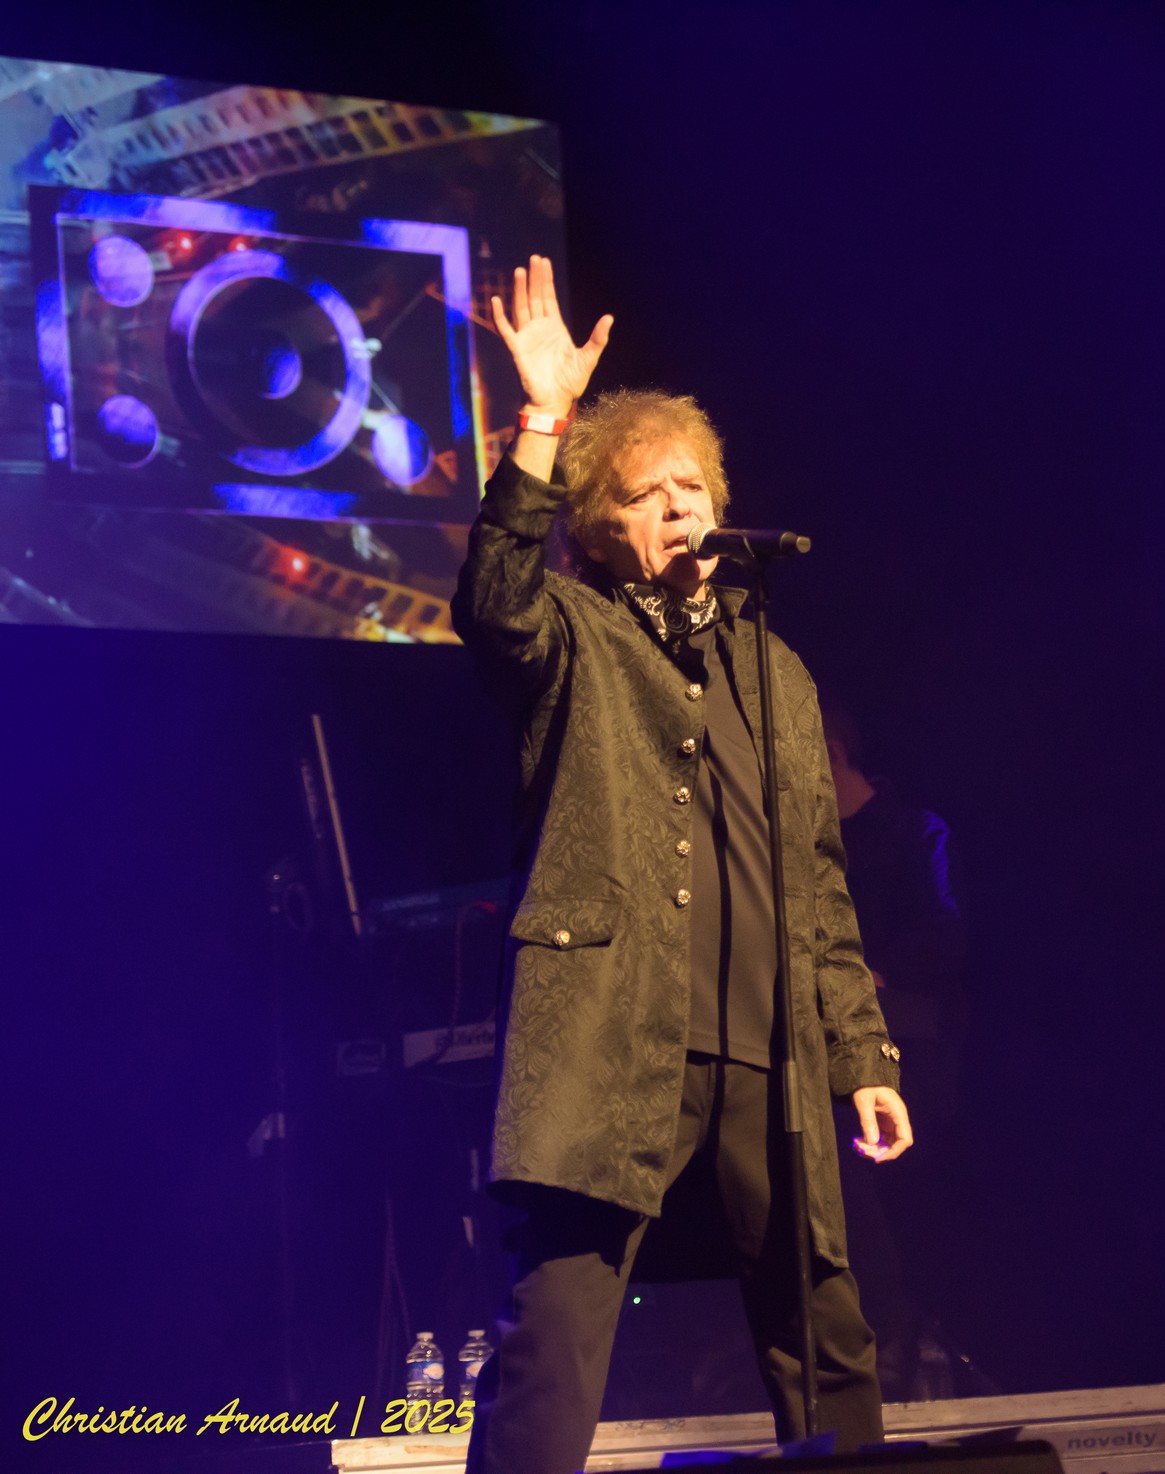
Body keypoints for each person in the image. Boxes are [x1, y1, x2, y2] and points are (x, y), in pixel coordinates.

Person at [453, 256, 912, 1474]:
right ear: (600, 528)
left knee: (827, 1333)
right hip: (606, 1031)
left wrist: (862, 1055)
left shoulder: (776, 671)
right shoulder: (573, 630)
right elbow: (492, 601)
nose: (677, 506)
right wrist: (542, 418)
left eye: (691, 486)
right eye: (646, 493)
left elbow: (817, 882)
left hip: (768, 1045)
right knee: (555, 1335)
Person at [820, 700, 969, 1397]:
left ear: (832, 752)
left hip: (907, 1041)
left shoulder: (914, 829)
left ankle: (911, 1348)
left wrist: (872, 975)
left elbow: (945, 931)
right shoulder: (802, 842)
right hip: (829, 1050)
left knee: (901, 1206)